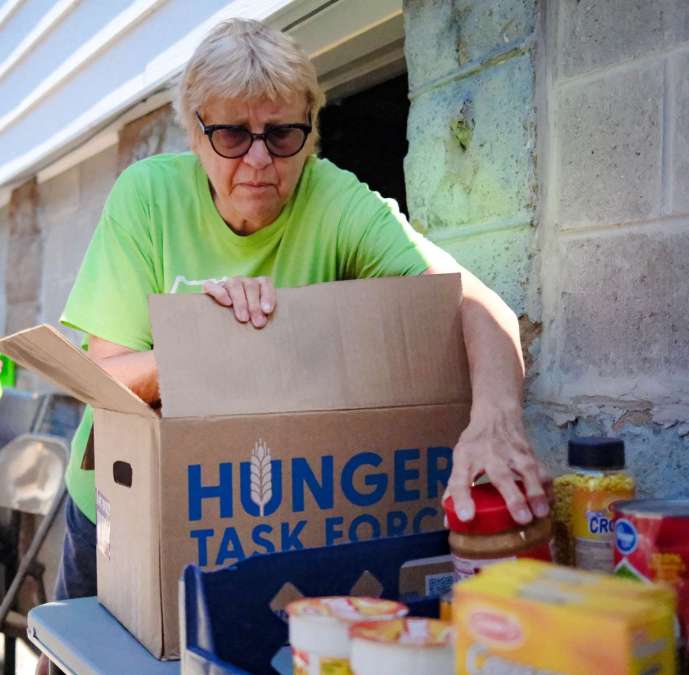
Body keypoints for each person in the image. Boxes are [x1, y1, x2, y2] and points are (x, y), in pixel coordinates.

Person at [51, 17, 549, 609]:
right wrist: (212, 339)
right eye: (233, 135)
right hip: (117, 503)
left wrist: (496, 421)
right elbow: (102, 381)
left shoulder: (335, 198)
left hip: (250, 512)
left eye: (283, 134)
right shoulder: (147, 197)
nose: (260, 160)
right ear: (194, 132)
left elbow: (475, 302)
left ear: (311, 132)